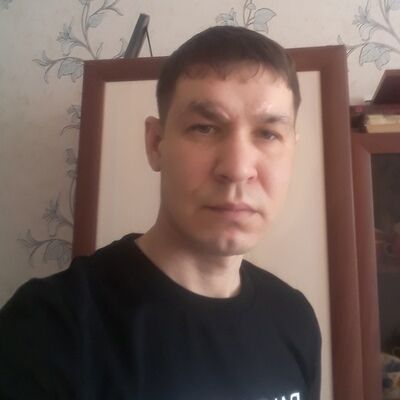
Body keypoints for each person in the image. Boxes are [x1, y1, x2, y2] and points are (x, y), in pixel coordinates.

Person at [0, 26, 321, 400]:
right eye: (205, 128)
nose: (237, 168)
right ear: (156, 143)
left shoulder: (295, 318)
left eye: (268, 134)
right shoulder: (49, 327)